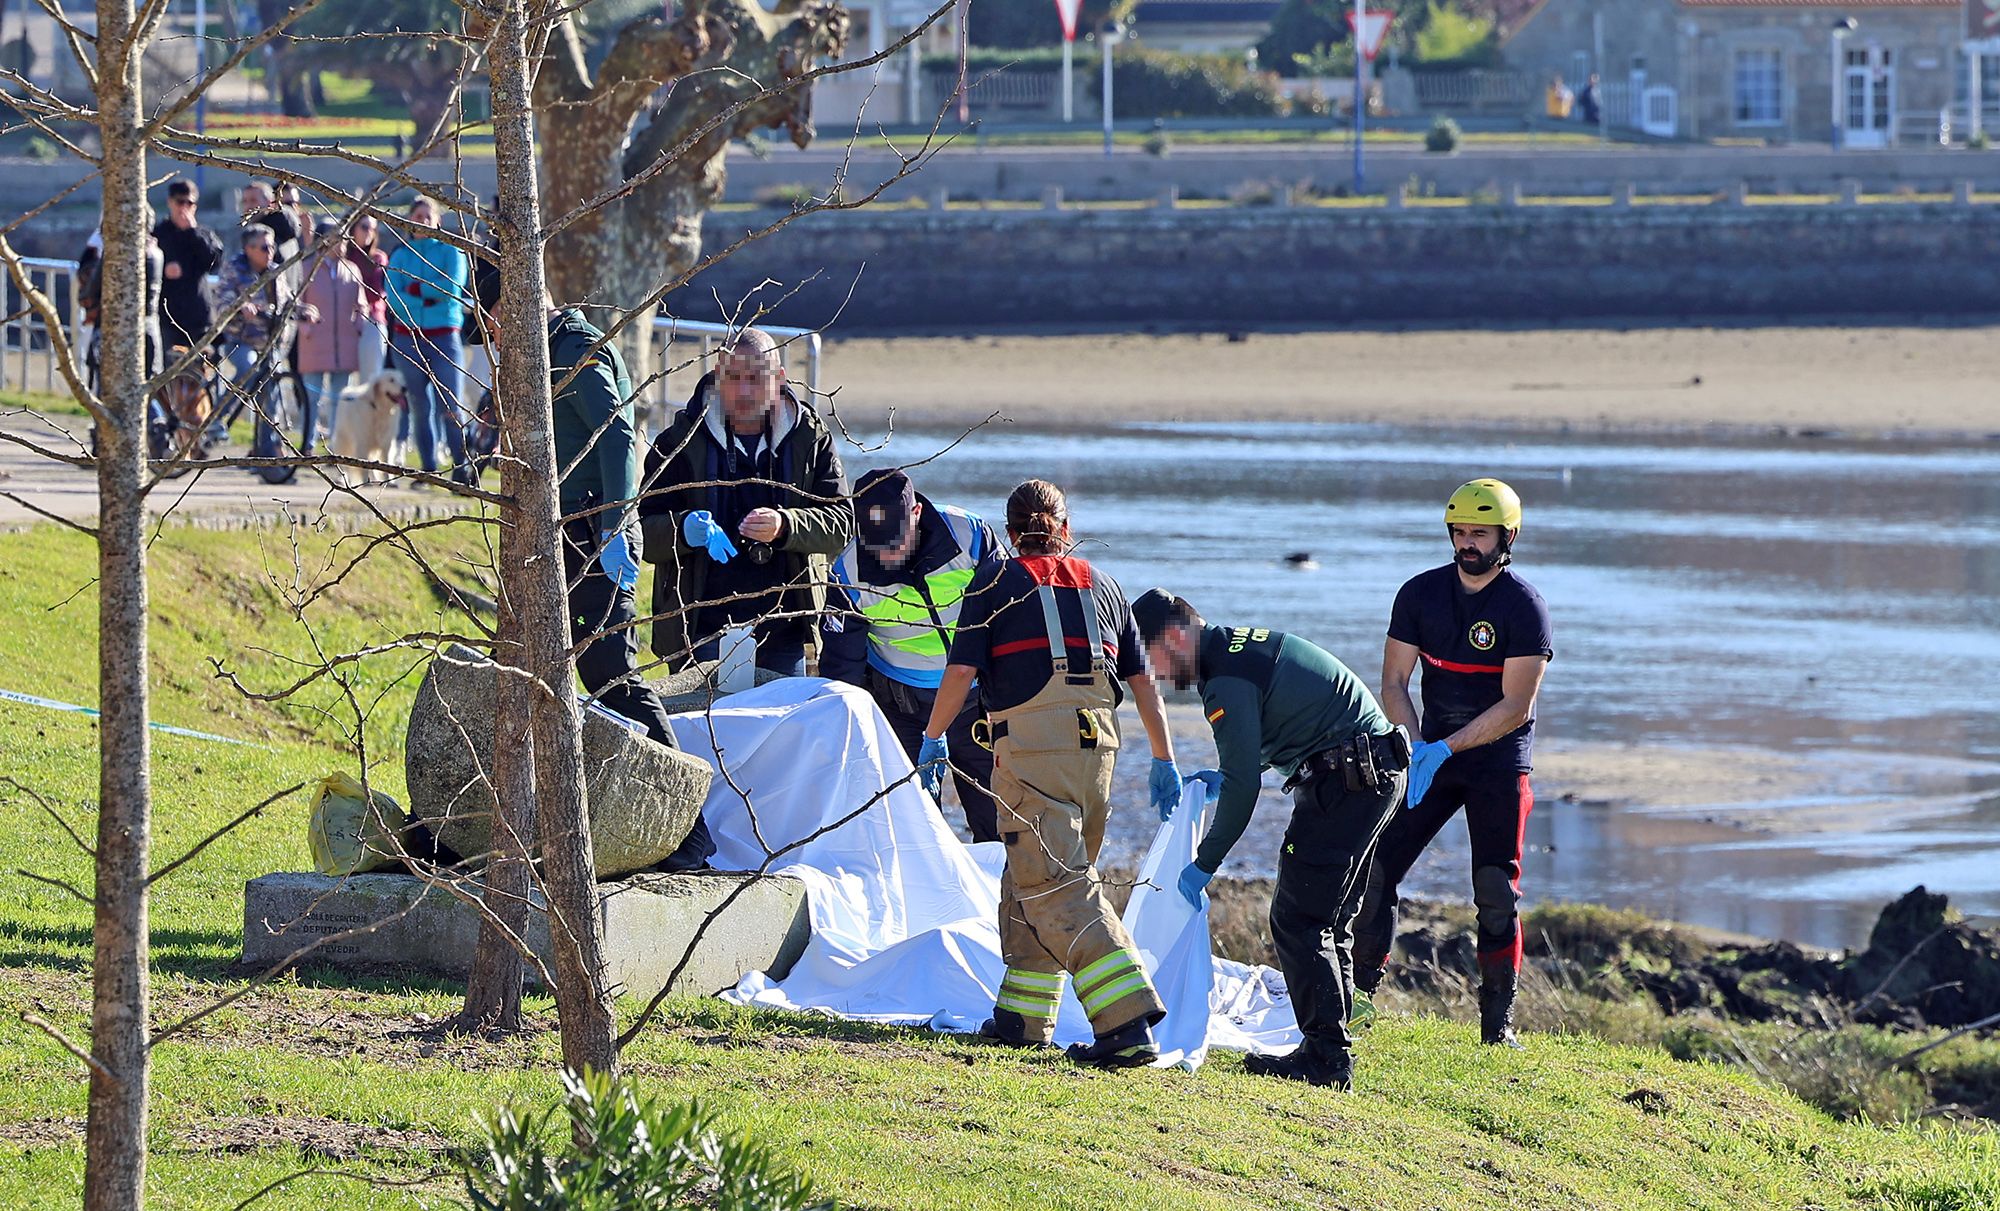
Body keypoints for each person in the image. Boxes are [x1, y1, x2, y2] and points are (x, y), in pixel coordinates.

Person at [920, 479, 1181, 1068]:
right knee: (1034, 876)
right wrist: (1164, 760)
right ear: (1066, 527)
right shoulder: (1107, 588)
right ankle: (1022, 1016)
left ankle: (1127, 1021)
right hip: (1099, 756)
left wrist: (933, 739)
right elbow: (1145, 688)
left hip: (1034, 754)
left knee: (1055, 886)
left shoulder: (993, 583)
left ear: (1010, 535)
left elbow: (959, 675)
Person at [1132, 590, 1408, 1090]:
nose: (1155, 675)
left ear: (1175, 637)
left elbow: (1244, 789)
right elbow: (1284, 726)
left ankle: (1326, 1057)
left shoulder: (1223, 679)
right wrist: (1230, 773)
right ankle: (1330, 1041)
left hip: (1348, 779)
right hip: (1371, 771)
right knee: (1328, 916)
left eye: (1153, 659)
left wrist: (1204, 863)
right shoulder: (1235, 651)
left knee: (1298, 917)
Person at [1353, 479, 1553, 1049]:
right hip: (1429, 758)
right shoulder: (1419, 594)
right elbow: (1394, 682)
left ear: (1507, 537)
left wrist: (1447, 747)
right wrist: (1414, 744)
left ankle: (1497, 1028)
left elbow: (1516, 706)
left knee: (1495, 893)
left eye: (1479, 534)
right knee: (1376, 869)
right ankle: (1361, 1003)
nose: (1467, 544)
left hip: (1497, 764)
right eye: (1460, 532)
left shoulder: (1524, 607)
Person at [637, 328, 852, 676]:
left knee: (782, 729)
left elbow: (842, 524)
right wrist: (684, 531)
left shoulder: (810, 438)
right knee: (707, 730)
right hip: (701, 628)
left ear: (779, 378)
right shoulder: (679, 440)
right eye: (735, 377)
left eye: (757, 378)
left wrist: (786, 526)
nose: (745, 390)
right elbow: (641, 534)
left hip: (785, 629)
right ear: (719, 376)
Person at [820, 468, 1006, 841]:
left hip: (975, 702)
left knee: (996, 819)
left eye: (896, 541)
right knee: (914, 829)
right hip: (903, 708)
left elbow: (1008, 613)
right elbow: (843, 667)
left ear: (916, 514)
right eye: (877, 545)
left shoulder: (969, 536)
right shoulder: (848, 570)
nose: (888, 554)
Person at [384, 195, 475, 484]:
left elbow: (450, 289)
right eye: (416, 216)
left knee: (451, 404)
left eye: (427, 216)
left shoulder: (451, 252)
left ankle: (462, 467)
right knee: (420, 406)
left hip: (444, 337)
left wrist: (416, 290)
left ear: (437, 220)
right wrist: (427, 295)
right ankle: (428, 468)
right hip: (407, 339)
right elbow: (394, 298)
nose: (421, 222)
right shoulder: (400, 255)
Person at [295, 219, 365, 453]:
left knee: (340, 398)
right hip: (314, 342)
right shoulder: (307, 268)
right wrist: (305, 328)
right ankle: (307, 443)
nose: (343, 244)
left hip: (344, 343)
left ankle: (336, 445)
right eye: (338, 238)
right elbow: (297, 302)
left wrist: (359, 325)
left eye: (344, 239)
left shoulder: (351, 269)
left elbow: (361, 303)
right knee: (312, 396)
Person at [153, 177, 223, 352]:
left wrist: (193, 232)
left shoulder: (204, 234)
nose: (184, 208)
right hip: (168, 316)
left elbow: (214, 262)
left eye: (189, 203)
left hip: (198, 314)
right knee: (170, 369)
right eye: (180, 202)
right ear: (170, 202)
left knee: (203, 370)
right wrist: (163, 270)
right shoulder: (159, 233)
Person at [345, 211, 391, 382]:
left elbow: (375, 293)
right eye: (364, 227)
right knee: (344, 380)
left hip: (372, 321)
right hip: (345, 321)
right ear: (353, 229)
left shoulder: (378, 258)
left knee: (370, 380)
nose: (368, 232)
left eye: (373, 229)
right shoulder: (344, 257)